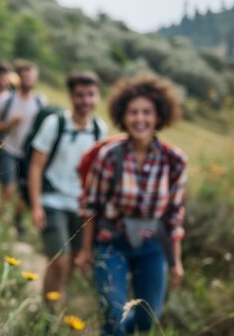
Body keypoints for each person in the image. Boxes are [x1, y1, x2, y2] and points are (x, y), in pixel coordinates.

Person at [77, 74, 187, 335]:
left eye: (147, 112)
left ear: (159, 116)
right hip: (111, 242)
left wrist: (176, 261)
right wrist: (85, 250)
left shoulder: (175, 161)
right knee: (113, 315)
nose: (140, 119)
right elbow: (90, 206)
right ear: (123, 116)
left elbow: (173, 216)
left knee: (148, 319)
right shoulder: (109, 156)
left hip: (152, 247)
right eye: (133, 112)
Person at [27, 71, 106, 304]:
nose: (86, 101)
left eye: (91, 95)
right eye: (80, 95)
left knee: (71, 260)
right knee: (59, 259)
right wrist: (36, 206)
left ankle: (56, 297)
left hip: (81, 206)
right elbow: (36, 167)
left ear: (98, 96)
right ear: (71, 96)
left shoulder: (99, 130)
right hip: (52, 201)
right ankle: (47, 308)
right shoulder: (56, 124)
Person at [0, 60, 46, 233]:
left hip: (29, 154)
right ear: (19, 78)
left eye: (31, 78)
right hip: (8, 149)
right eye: (25, 77)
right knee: (7, 188)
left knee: (24, 192)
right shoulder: (7, 99)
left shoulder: (40, 102)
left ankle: (16, 221)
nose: (28, 81)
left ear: (36, 80)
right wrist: (10, 123)